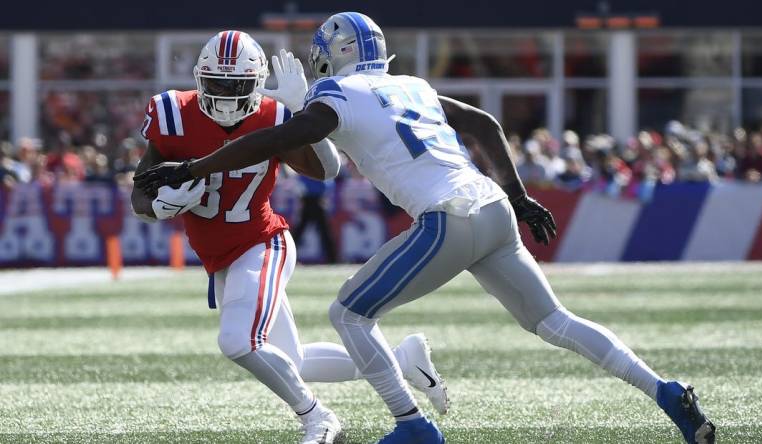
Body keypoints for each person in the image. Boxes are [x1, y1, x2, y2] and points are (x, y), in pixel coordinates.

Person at [134, 15, 716, 444]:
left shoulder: (335, 92)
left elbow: (269, 141)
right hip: (491, 207)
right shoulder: (412, 85)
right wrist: (518, 194)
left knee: (348, 315)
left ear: (330, 55)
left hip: (446, 217)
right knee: (555, 321)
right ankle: (664, 389)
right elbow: (484, 123)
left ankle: (412, 426)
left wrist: (194, 167)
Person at [130, 30, 447, 444]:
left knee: (238, 341)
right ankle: (403, 361)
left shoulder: (273, 115)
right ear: (198, 78)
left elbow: (326, 170)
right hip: (221, 257)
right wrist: (156, 206)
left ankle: (316, 417)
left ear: (257, 84)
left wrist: (301, 110)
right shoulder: (173, 112)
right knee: (290, 359)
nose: (226, 95)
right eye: (217, 84)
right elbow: (141, 189)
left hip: (261, 242)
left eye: (237, 86)